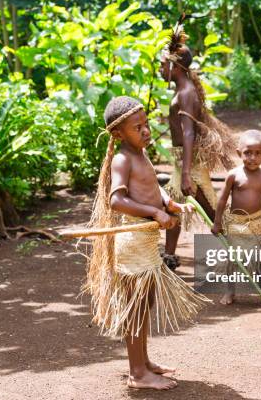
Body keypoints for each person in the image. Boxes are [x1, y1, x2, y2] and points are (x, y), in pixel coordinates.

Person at [84, 96, 208, 390]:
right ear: (118, 134)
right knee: (136, 309)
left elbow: (153, 189)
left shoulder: (140, 154)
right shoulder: (122, 159)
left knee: (144, 304)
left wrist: (169, 204)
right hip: (133, 242)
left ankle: (144, 362)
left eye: (146, 124)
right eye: (137, 127)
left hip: (147, 242)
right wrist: (154, 212)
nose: (146, 131)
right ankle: (137, 373)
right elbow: (117, 200)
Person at [159, 17, 237, 270]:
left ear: (176, 67)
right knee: (173, 209)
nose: (159, 71)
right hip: (183, 162)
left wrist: (186, 174)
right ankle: (168, 259)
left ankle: (247, 257)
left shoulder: (186, 93)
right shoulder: (182, 90)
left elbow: (189, 133)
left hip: (189, 165)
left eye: (163, 66)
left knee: (214, 215)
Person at [211, 129, 261, 305]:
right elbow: (222, 199)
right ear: (239, 153)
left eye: (258, 153)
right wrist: (217, 222)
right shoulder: (234, 175)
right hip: (235, 223)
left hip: (257, 223)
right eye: (248, 153)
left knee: (260, 259)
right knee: (233, 259)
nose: (252, 158)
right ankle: (230, 291)